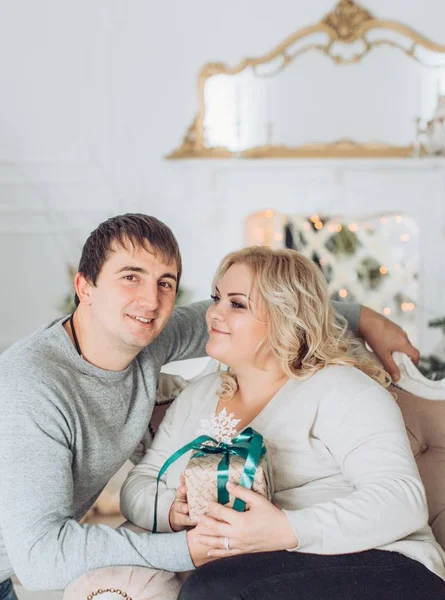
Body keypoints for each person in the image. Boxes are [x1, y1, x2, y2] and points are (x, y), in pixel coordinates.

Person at [0, 214, 418, 597]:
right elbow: (42, 557)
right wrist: (183, 539)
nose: (151, 300)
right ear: (84, 287)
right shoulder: (32, 383)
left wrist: (366, 318)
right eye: (131, 277)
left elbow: (286, 309)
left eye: (166, 282)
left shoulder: (149, 336)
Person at [120, 246, 445, 600]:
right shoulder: (199, 396)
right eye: (217, 298)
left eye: (237, 304)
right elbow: (139, 482)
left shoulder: (342, 389)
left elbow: (402, 501)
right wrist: (171, 510)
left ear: (285, 317)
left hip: (385, 563)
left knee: (214, 590)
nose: (214, 313)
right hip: (263, 566)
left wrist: (286, 529)